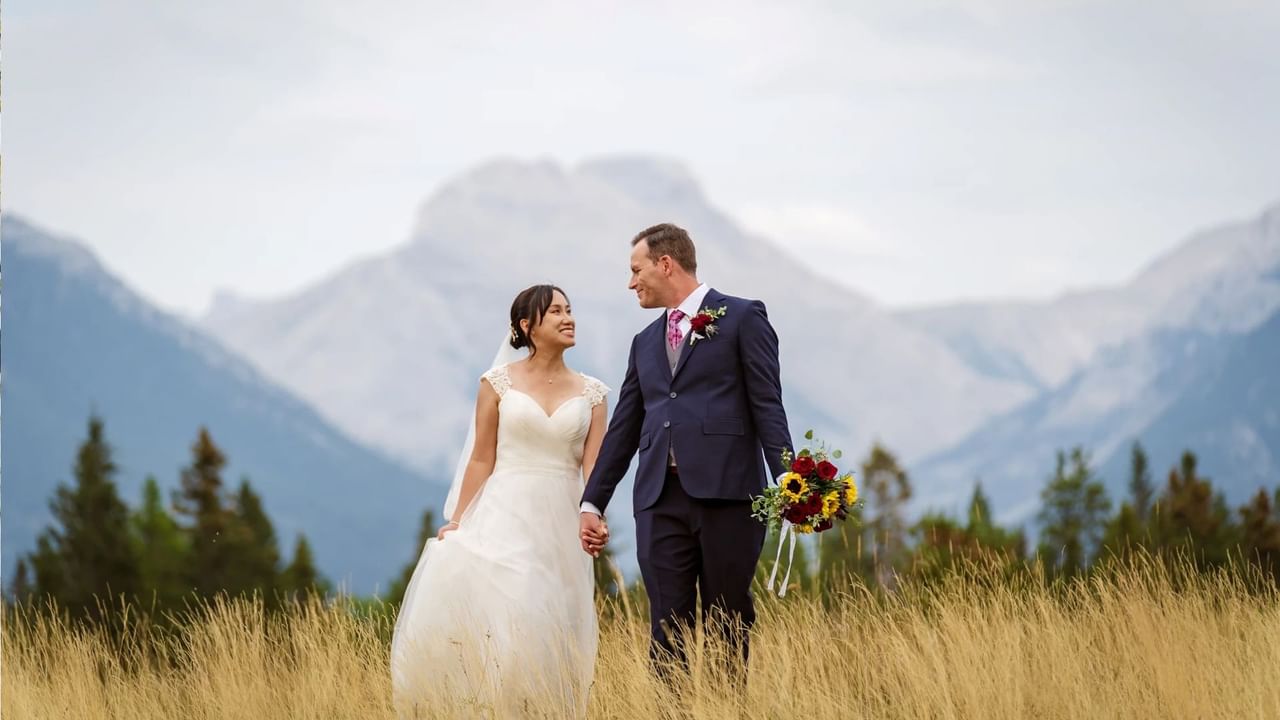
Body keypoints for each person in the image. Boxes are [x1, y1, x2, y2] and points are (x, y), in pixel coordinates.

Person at [580, 223, 793, 685]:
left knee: (727, 620)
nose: (631, 282)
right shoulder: (643, 343)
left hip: (729, 496)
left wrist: (789, 479)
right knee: (666, 626)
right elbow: (623, 430)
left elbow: (767, 403)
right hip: (658, 500)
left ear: (665, 264)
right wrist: (592, 502)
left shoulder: (742, 317)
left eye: (636, 270)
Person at [391, 284, 609, 717]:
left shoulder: (594, 394)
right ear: (527, 326)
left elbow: (595, 469)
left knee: (553, 623)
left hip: (561, 522)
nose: (569, 319)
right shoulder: (496, 384)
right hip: (505, 509)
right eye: (556, 313)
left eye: (570, 310)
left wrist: (595, 515)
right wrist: (457, 519)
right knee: (514, 609)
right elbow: (480, 458)